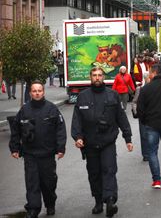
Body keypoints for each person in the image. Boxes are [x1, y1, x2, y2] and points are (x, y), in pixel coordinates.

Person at [71, 67, 133, 217]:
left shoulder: (113, 95)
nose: (97, 78)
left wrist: (128, 138)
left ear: (103, 77)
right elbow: (77, 120)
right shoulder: (83, 96)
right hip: (90, 143)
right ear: (90, 77)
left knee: (109, 170)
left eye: (100, 75)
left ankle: (110, 200)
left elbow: (121, 118)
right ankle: (98, 201)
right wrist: (78, 137)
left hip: (107, 142)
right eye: (94, 75)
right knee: (94, 173)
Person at [9, 80, 67, 218]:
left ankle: (50, 203)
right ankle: (33, 209)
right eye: (34, 91)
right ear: (30, 93)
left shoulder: (52, 109)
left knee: (48, 183)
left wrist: (61, 148)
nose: (37, 93)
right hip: (30, 154)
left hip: (47, 154)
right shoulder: (24, 110)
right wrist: (15, 148)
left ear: (43, 92)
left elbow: (60, 130)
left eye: (39, 90)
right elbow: (15, 130)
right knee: (32, 182)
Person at [131, 72, 150, 161]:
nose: (150, 79)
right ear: (145, 79)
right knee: (144, 136)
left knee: (153, 136)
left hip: (154, 116)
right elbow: (134, 101)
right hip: (142, 116)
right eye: (148, 78)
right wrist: (136, 112)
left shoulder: (156, 88)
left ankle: (152, 152)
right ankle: (146, 154)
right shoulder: (140, 89)